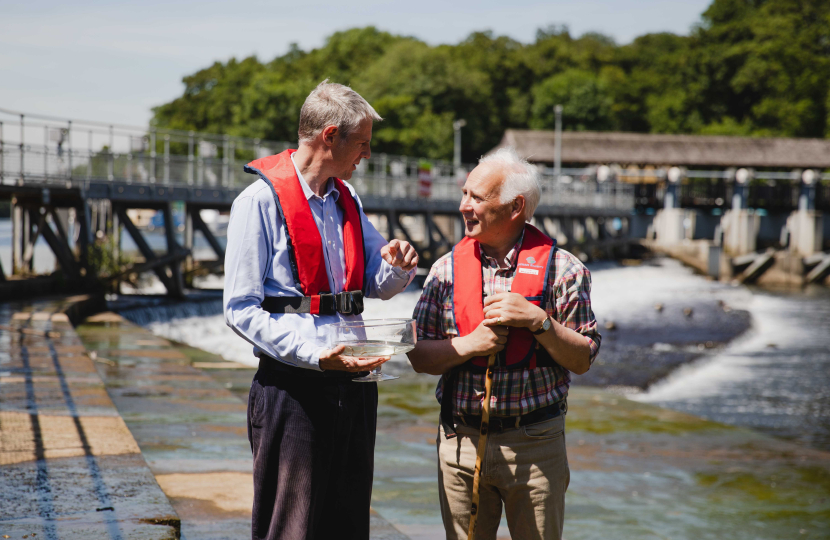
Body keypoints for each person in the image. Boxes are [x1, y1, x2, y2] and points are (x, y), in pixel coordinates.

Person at [223, 80, 418, 540]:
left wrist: (399, 266)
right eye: (363, 143)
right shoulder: (258, 203)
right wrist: (315, 356)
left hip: (355, 384)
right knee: (291, 528)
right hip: (294, 389)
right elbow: (240, 309)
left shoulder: (347, 199)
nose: (367, 154)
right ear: (330, 136)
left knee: (348, 525)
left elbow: (376, 282)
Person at [407, 147, 601, 540]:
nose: (463, 206)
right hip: (458, 442)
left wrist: (540, 322)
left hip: (535, 445)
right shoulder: (445, 270)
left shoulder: (564, 271)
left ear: (516, 206)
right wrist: (470, 345)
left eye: (476, 198)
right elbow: (418, 355)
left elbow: (583, 359)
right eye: (464, 194)